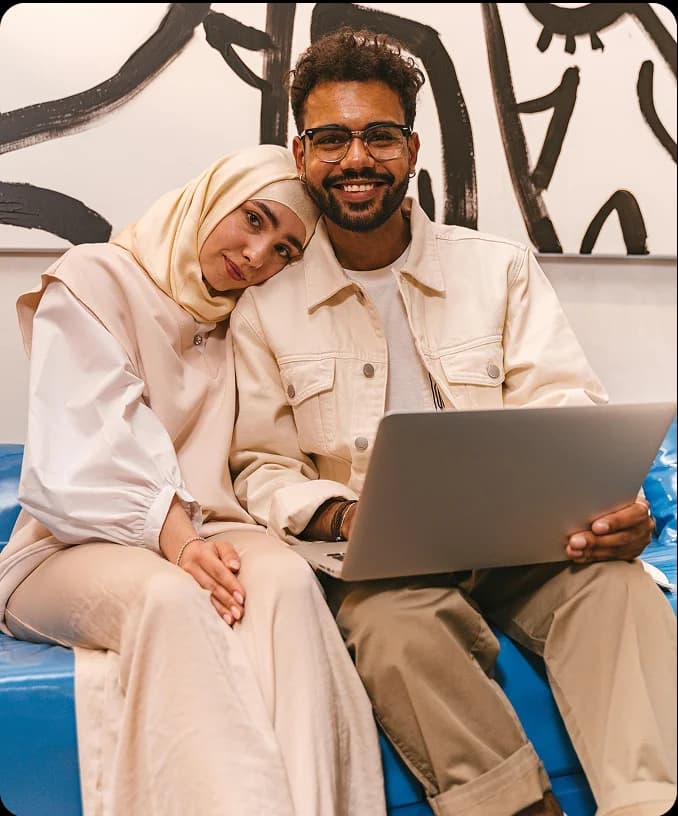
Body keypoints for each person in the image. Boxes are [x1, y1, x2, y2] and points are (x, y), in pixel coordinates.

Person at [229, 30, 677, 816]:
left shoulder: (496, 268)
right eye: (332, 139)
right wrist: (342, 513)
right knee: (396, 632)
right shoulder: (266, 308)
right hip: (379, 568)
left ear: (412, 148)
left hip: (525, 547)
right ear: (302, 154)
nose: (356, 159)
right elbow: (258, 467)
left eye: (379, 136)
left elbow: (564, 405)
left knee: (619, 592)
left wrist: (612, 506)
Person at [0, 144, 386, 816]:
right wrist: (177, 541)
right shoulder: (94, 277)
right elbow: (83, 452)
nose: (259, 256)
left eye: (286, 251)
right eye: (254, 220)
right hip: (67, 549)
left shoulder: (243, 320)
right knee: (171, 598)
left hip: (209, 532)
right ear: (213, 198)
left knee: (292, 584)